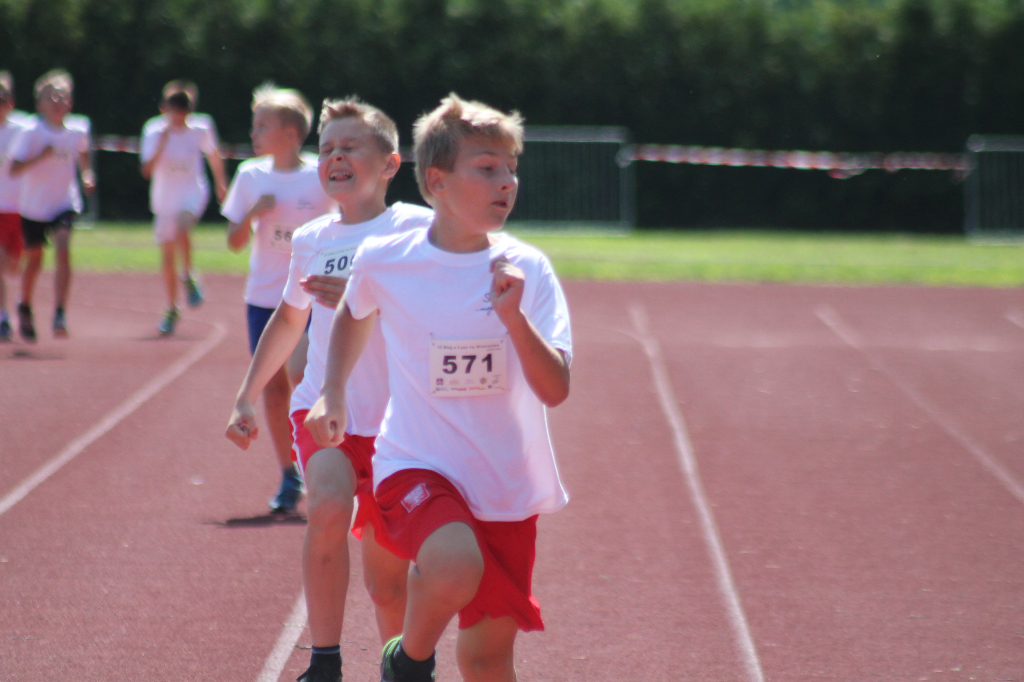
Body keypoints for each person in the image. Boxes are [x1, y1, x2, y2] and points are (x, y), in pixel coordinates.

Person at [305, 94, 573, 682]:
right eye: (487, 167)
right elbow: (353, 312)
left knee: (486, 658)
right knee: (452, 566)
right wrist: (333, 390)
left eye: (511, 169)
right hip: (416, 464)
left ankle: (411, 659)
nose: (506, 182)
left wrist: (514, 321)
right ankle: (410, 659)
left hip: (505, 484)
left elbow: (556, 389)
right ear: (437, 180)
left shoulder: (531, 269)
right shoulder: (387, 258)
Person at [226, 96, 432, 682]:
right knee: (329, 507)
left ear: (390, 164)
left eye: (352, 147)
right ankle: (325, 661)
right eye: (330, 148)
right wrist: (246, 394)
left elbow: (436, 312)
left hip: (400, 427)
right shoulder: (312, 237)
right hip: (323, 410)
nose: (336, 157)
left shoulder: (416, 231)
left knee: (386, 583)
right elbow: (289, 319)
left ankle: (403, 664)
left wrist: (366, 298)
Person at [222, 84, 337, 514]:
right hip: (264, 297)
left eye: (262, 125)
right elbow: (234, 242)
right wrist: (254, 214)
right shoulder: (251, 176)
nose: (253, 133)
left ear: (290, 132)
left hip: (313, 297)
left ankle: (326, 462)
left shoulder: (320, 176)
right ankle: (290, 473)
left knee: (305, 371)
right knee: (273, 388)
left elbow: (342, 225)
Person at [8, 69, 95, 341]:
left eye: (63, 97)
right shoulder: (31, 131)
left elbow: (82, 152)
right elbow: (14, 168)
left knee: (63, 246)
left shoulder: (78, 128)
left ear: (71, 102)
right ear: (40, 104)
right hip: (34, 206)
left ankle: (59, 312)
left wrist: (87, 174)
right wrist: (40, 157)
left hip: (63, 202)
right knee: (34, 261)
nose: (58, 101)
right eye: (51, 97)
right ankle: (25, 305)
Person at [140, 85, 228, 334]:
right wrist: (161, 144)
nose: (180, 117)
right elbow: (146, 170)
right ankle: (171, 308)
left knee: (182, 229)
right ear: (164, 109)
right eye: (175, 111)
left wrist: (221, 184)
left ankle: (188, 276)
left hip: (192, 193)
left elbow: (213, 154)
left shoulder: (202, 127)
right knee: (167, 258)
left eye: (184, 111)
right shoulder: (154, 130)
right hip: (164, 199)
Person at [0, 71, 29, 342]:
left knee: (12, 266)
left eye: (3, 99)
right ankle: (2, 316)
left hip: (20, 208)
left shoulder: (24, 127)